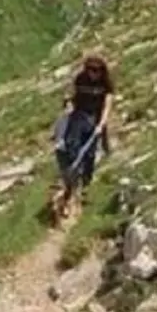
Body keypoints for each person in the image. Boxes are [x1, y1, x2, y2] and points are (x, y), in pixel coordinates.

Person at [51, 53, 114, 222]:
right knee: (72, 147)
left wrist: (101, 124)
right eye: (90, 69)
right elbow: (73, 95)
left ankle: (85, 183)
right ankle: (71, 182)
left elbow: (107, 105)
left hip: (94, 120)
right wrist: (68, 103)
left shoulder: (106, 85)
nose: (93, 73)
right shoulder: (80, 79)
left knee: (90, 154)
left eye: (97, 70)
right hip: (79, 117)